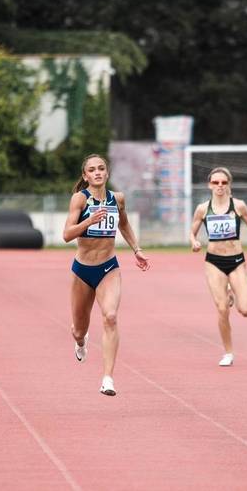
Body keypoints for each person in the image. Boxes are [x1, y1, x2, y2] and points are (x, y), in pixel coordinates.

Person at [63, 154, 151, 396]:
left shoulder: (117, 199)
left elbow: (123, 224)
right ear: (85, 176)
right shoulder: (80, 199)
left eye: (101, 168)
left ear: (107, 173)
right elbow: (67, 234)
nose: (97, 172)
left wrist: (137, 249)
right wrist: (88, 220)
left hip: (108, 268)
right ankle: (80, 342)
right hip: (82, 271)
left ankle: (108, 378)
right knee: (79, 329)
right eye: (92, 170)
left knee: (110, 317)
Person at [190, 167, 247, 366]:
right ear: (209, 184)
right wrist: (194, 241)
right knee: (222, 309)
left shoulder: (238, 206)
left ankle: (232, 292)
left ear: (229, 184)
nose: (219, 186)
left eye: (223, 183)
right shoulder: (203, 208)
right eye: (216, 182)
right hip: (214, 262)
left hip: (236, 261)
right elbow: (192, 232)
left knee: (246, 310)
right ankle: (228, 352)